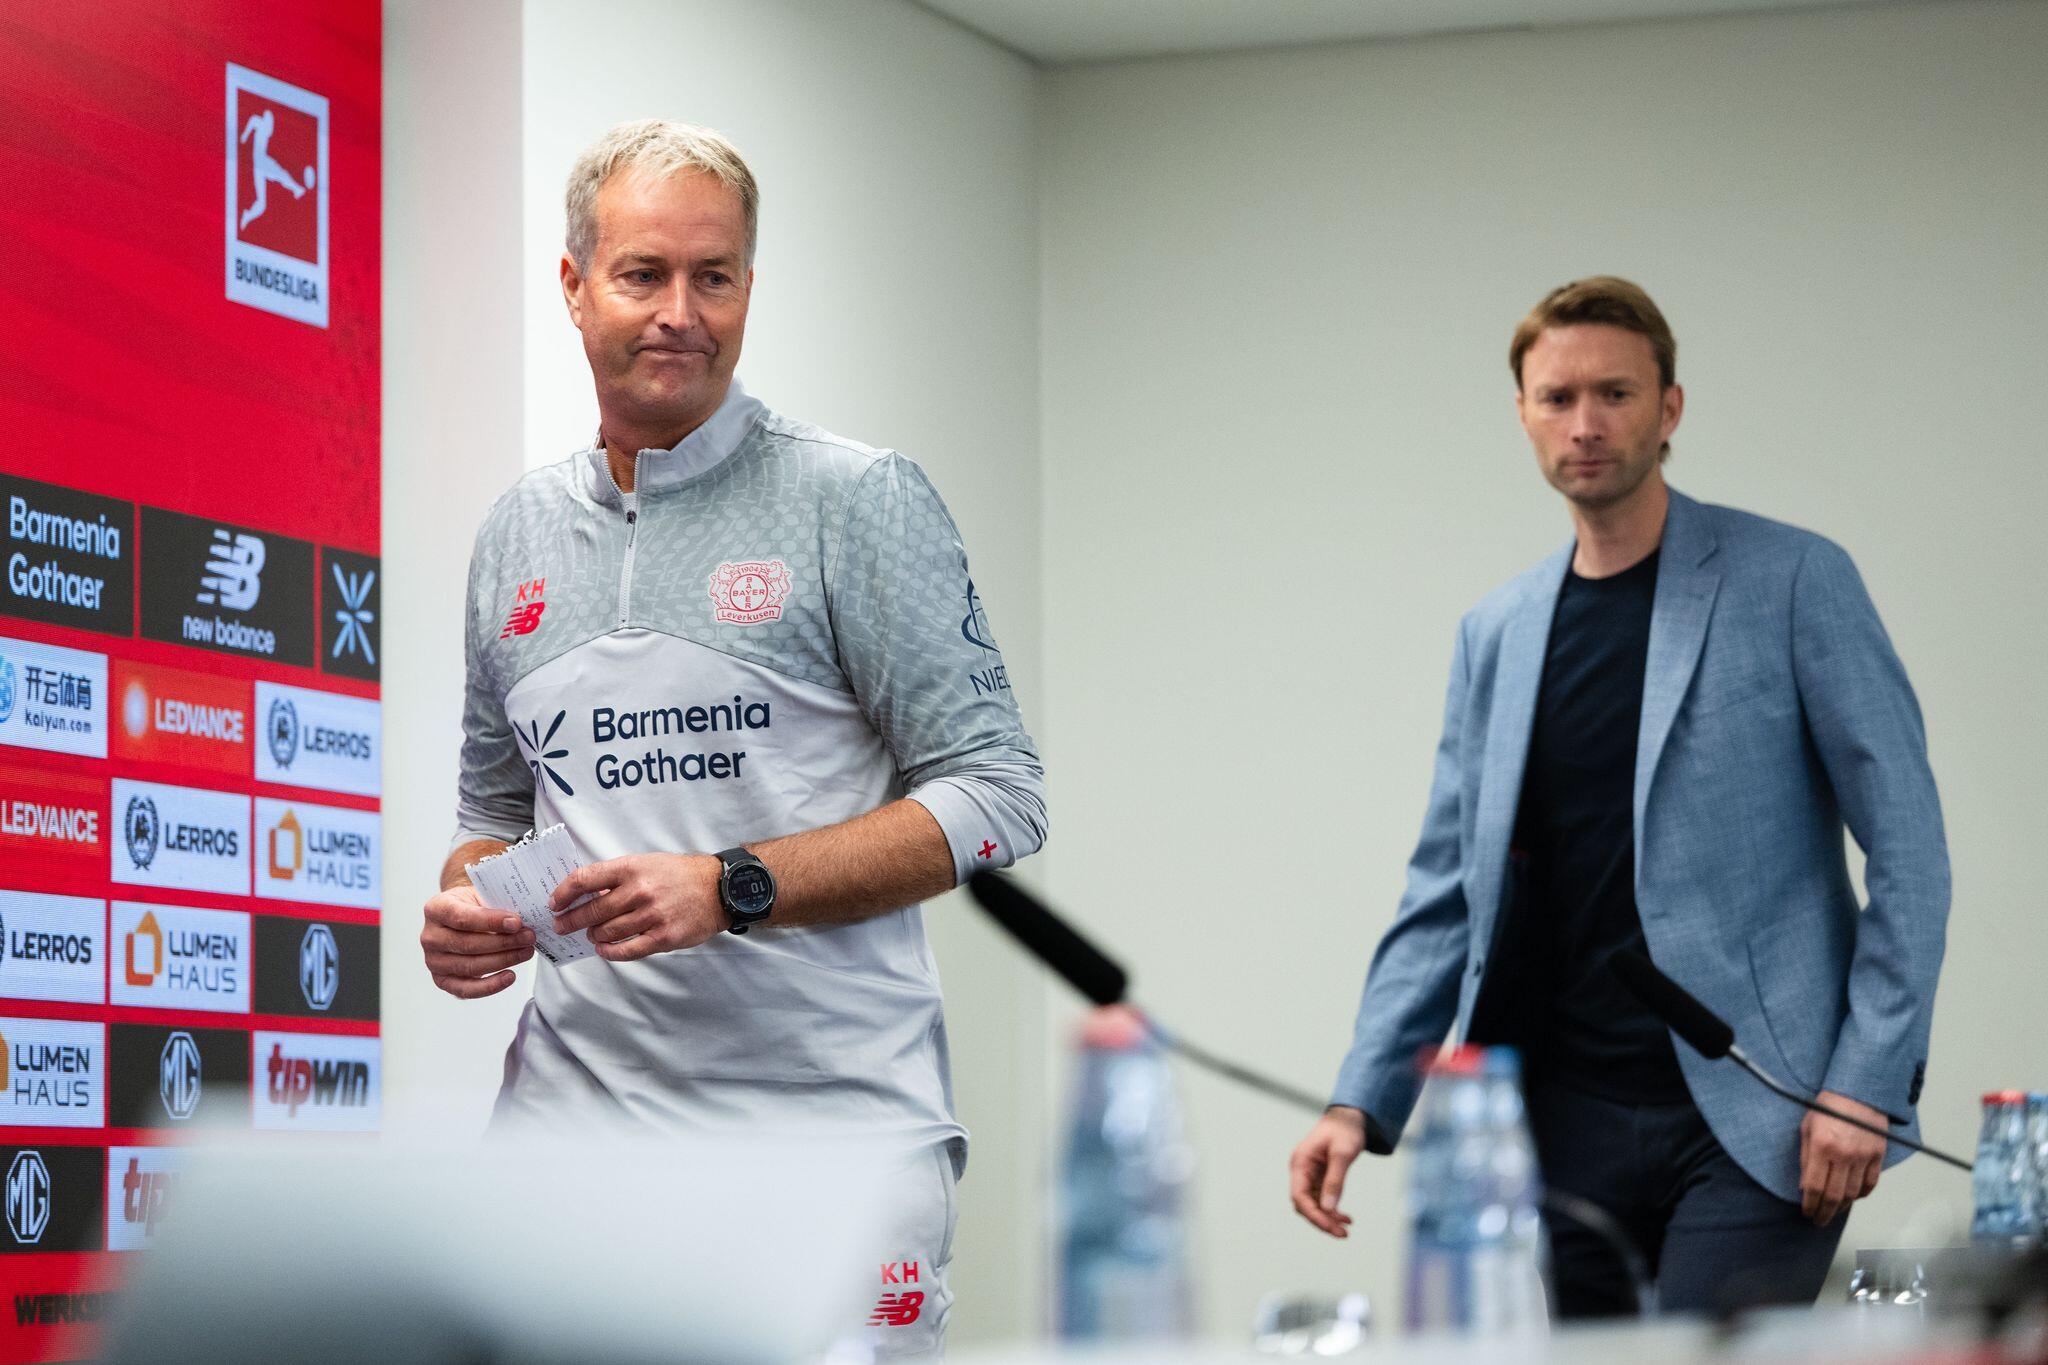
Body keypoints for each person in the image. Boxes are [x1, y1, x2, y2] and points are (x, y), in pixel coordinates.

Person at [418, 120, 1047, 1357]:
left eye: (713, 277)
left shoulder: (854, 499)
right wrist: (469, 906)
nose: (680, 314)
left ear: (749, 287)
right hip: (573, 1142)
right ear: (573, 285)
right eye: (642, 275)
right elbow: (491, 815)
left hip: (826, 1141)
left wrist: (731, 886)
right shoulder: (515, 535)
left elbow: (1000, 795)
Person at [1288, 277, 1949, 1317]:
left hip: (1762, 1112)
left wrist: (1864, 1082)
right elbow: (1447, 893)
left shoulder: (1793, 580)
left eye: (1615, 393)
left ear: (1668, 408)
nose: (1585, 424)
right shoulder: (1496, 633)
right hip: (1555, 1123)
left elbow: (1909, 848)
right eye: (1557, 398)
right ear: (1522, 414)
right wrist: (1358, 1099)